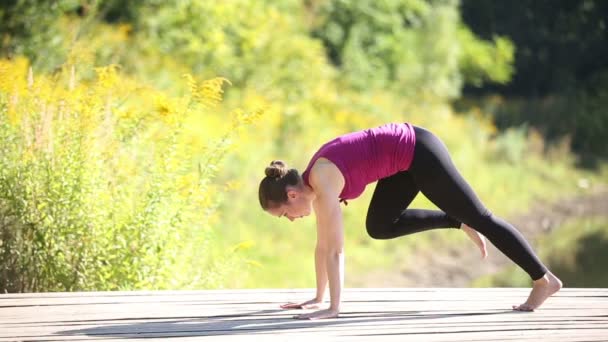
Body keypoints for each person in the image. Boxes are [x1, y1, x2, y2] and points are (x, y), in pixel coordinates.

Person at [258, 122, 562, 320]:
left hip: (419, 151)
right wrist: (318, 298)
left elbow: (336, 251)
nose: (290, 220)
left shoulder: (322, 181)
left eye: (284, 214)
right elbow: (322, 246)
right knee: (379, 226)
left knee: (482, 217)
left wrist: (333, 309)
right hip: (400, 165)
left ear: (292, 195)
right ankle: (457, 221)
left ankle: (543, 279)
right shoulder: (316, 185)